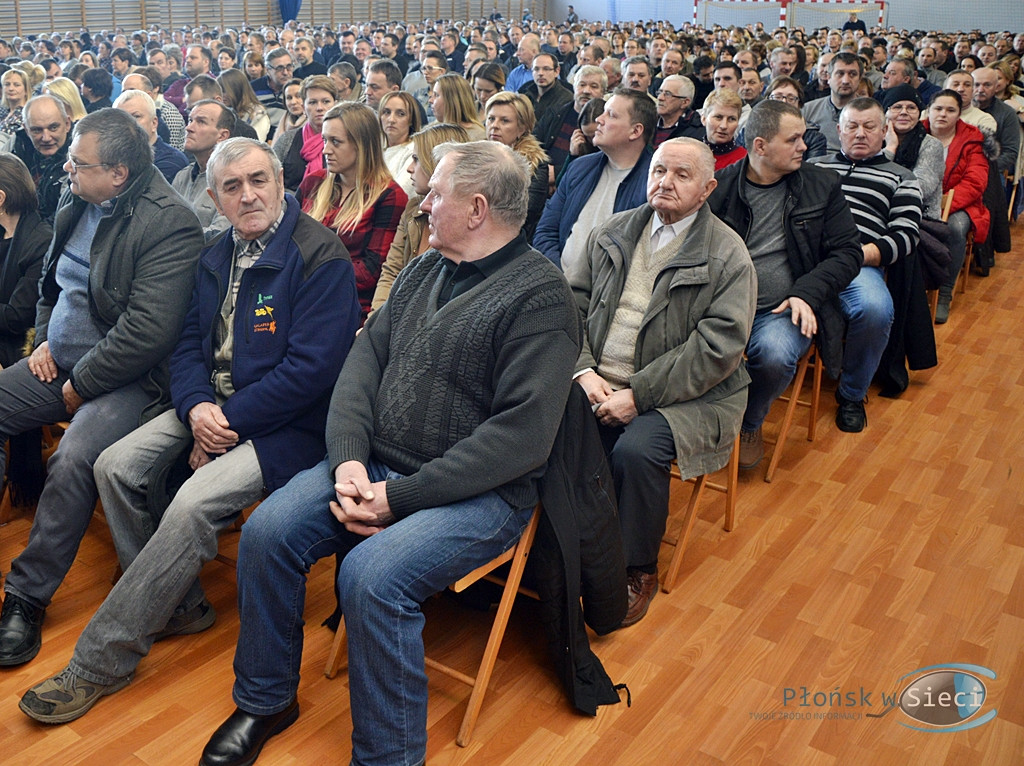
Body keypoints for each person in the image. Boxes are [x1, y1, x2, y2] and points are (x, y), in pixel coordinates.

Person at [198, 139, 579, 766]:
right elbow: (363, 360)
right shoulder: (430, 267)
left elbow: (520, 440)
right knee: (268, 531)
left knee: (371, 577)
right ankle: (266, 700)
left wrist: (397, 497)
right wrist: (348, 458)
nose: (422, 205)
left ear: (477, 208)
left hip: (479, 494)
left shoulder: (540, 299)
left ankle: (388, 758)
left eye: (435, 193)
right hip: (375, 463)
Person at [18, 137, 360, 724]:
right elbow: (185, 345)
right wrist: (198, 408)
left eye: (258, 180)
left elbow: (313, 372)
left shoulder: (320, 257)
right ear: (214, 197)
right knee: (113, 467)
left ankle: (103, 660)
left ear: (281, 183)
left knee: (192, 505)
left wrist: (224, 421)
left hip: (288, 429)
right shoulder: (213, 253)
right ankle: (181, 605)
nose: (247, 195)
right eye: (232, 187)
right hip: (210, 409)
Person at [0, 108, 204, 667]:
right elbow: (51, 281)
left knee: (72, 460)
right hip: (56, 363)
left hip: (129, 381)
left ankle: (26, 597)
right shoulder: (77, 198)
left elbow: (148, 333)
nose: (65, 168)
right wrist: (43, 338)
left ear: (117, 173)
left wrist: (80, 383)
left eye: (77, 162)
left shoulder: (170, 222)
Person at [573, 137, 755, 626]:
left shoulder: (727, 254)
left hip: (690, 395)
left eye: (681, 175)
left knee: (636, 450)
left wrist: (639, 394)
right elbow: (569, 307)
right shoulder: (612, 232)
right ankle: (563, 549)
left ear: (707, 189)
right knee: (542, 423)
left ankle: (636, 568)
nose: (664, 183)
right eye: (658, 171)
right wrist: (584, 371)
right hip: (597, 379)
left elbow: (719, 349)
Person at [708, 100, 861, 468]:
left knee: (774, 355)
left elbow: (848, 252)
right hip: (722, 303)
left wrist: (805, 293)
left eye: (803, 138)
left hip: (781, 307)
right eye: (793, 139)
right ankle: (695, 423)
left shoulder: (821, 184)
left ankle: (749, 422)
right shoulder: (721, 187)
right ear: (760, 146)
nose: (804, 147)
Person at [814, 98, 923, 432]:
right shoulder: (814, 167)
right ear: (838, 131)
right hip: (804, 259)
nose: (860, 134)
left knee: (876, 309)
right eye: (852, 126)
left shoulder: (901, 177)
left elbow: (906, 237)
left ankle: (851, 394)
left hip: (859, 262)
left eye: (869, 126)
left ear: (885, 130)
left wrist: (858, 255)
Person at [534, 87, 657, 284]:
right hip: (557, 283)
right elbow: (546, 230)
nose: (599, 119)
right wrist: (558, 278)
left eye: (611, 115)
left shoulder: (654, 185)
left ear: (635, 131)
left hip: (607, 295)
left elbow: (643, 257)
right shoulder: (580, 167)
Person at [298, 102, 407, 322]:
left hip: (348, 304)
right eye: (324, 140)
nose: (326, 150)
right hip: (303, 294)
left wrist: (310, 274)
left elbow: (371, 270)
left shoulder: (389, 195)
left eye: (336, 142)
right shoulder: (313, 182)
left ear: (362, 145)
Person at [370, 123, 470, 313]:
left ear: (437, 163)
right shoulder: (414, 208)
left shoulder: (461, 220)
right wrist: (374, 323)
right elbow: (391, 272)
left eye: (416, 159)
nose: (409, 168)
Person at [923, 90, 991, 323]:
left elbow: (975, 182)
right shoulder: (915, 131)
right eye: (938, 108)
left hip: (960, 203)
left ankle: (944, 292)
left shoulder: (973, 138)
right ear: (928, 110)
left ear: (959, 114)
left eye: (950, 110)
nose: (943, 114)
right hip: (920, 198)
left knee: (954, 227)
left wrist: (944, 205)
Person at [484, 91, 549, 240]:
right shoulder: (476, 156)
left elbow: (522, 216)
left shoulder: (535, 165)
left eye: (504, 121)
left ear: (522, 128)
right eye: (491, 119)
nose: (494, 126)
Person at [172, 99, 234, 240]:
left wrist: (171, 237)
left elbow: (221, 234)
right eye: (190, 120)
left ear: (222, 136)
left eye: (201, 122)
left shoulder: (231, 180)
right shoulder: (182, 176)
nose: (189, 128)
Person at [880, 85, 944, 218]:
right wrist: (890, 147)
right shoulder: (874, 141)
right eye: (897, 107)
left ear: (919, 113)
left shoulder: (931, 145)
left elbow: (922, 188)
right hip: (880, 212)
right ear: (885, 113)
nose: (904, 112)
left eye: (911, 108)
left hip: (920, 217)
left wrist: (890, 150)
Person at [272, 75, 338, 191]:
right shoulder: (287, 139)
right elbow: (271, 177)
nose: (319, 108)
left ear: (336, 105)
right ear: (303, 107)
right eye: (312, 102)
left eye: (326, 101)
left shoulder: (346, 140)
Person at [13, 95, 72, 224]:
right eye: (37, 130)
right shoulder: (19, 148)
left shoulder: (80, 160)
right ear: (26, 130)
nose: (46, 137)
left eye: (53, 127)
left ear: (67, 124)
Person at [113, 89, 188, 183]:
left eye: (136, 116)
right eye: (121, 118)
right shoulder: (110, 155)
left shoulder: (172, 161)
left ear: (154, 123)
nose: (127, 124)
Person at [801, 51, 863, 152]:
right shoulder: (808, 110)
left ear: (860, 79)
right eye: (840, 74)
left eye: (852, 74)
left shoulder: (870, 112)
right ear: (829, 78)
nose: (845, 81)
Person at [378, 90, 421, 197]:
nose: (391, 119)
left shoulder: (413, 152)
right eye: (386, 112)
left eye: (400, 114)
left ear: (411, 120)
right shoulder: (374, 148)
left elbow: (400, 193)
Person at [218, 68, 271, 141]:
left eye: (224, 91)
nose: (221, 95)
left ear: (237, 89)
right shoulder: (221, 112)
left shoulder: (258, 115)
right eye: (219, 91)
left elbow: (255, 145)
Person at [652, 74, 704, 148]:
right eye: (660, 92)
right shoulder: (648, 123)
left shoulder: (697, 131)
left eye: (667, 94)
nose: (660, 98)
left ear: (685, 102)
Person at [430, 73, 486, 139]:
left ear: (452, 100)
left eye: (436, 95)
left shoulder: (478, 136)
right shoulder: (432, 130)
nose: (430, 100)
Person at [702, 89, 747, 169]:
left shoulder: (745, 160)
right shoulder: (689, 155)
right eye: (718, 117)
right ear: (704, 119)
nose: (724, 126)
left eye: (731, 119)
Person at [0, 69, 30, 139]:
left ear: (26, 90)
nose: (11, 88)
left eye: (16, 85)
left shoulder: (28, 115)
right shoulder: (4, 112)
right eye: (7, 84)